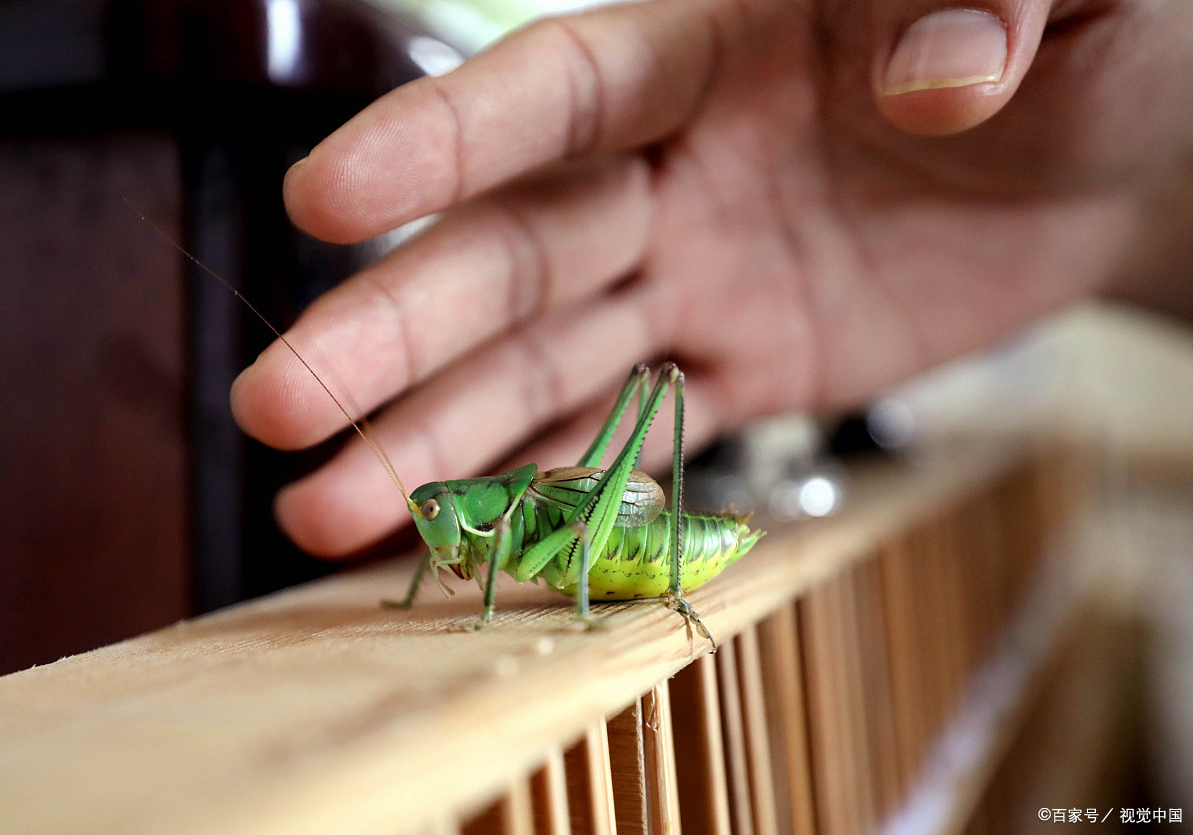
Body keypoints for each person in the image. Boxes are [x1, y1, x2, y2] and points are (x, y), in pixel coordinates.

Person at [230, 0, 1193, 557]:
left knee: (646, 402)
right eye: (434, 514)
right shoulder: (479, 529)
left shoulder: (509, 526)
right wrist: (1133, 217)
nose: (439, 530)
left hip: (645, 537)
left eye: (440, 514)